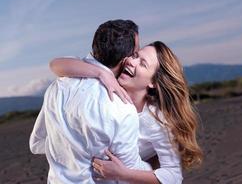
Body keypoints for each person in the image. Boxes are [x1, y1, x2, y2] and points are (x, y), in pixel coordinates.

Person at [50, 41, 203, 183]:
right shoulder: (108, 79)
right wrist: (101, 73)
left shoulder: (157, 121)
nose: (131, 61)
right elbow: (56, 65)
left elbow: (174, 176)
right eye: (135, 55)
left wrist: (122, 174)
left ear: (153, 82)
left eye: (142, 64)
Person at [29, 19, 151, 184]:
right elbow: (129, 170)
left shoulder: (60, 83)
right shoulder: (121, 106)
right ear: (126, 59)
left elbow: (37, 142)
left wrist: (69, 149)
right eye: (135, 53)